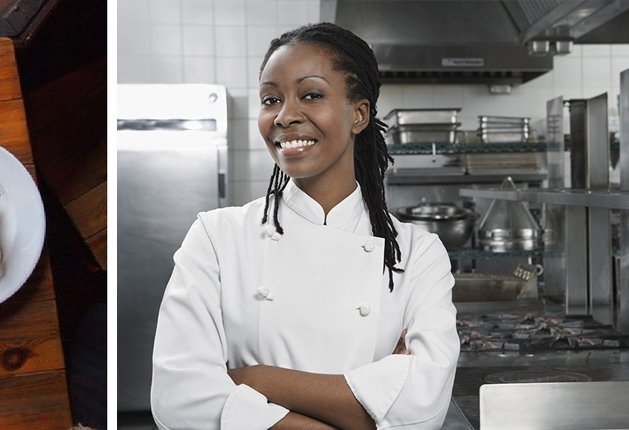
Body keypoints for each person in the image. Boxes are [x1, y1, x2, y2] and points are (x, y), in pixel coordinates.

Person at [150, 23, 457, 430]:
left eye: (311, 95)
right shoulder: (216, 237)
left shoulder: (417, 251)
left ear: (359, 114)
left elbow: (423, 408)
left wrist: (255, 380)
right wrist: (371, 403)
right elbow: (179, 400)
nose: (285, 116)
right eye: (270, 99)